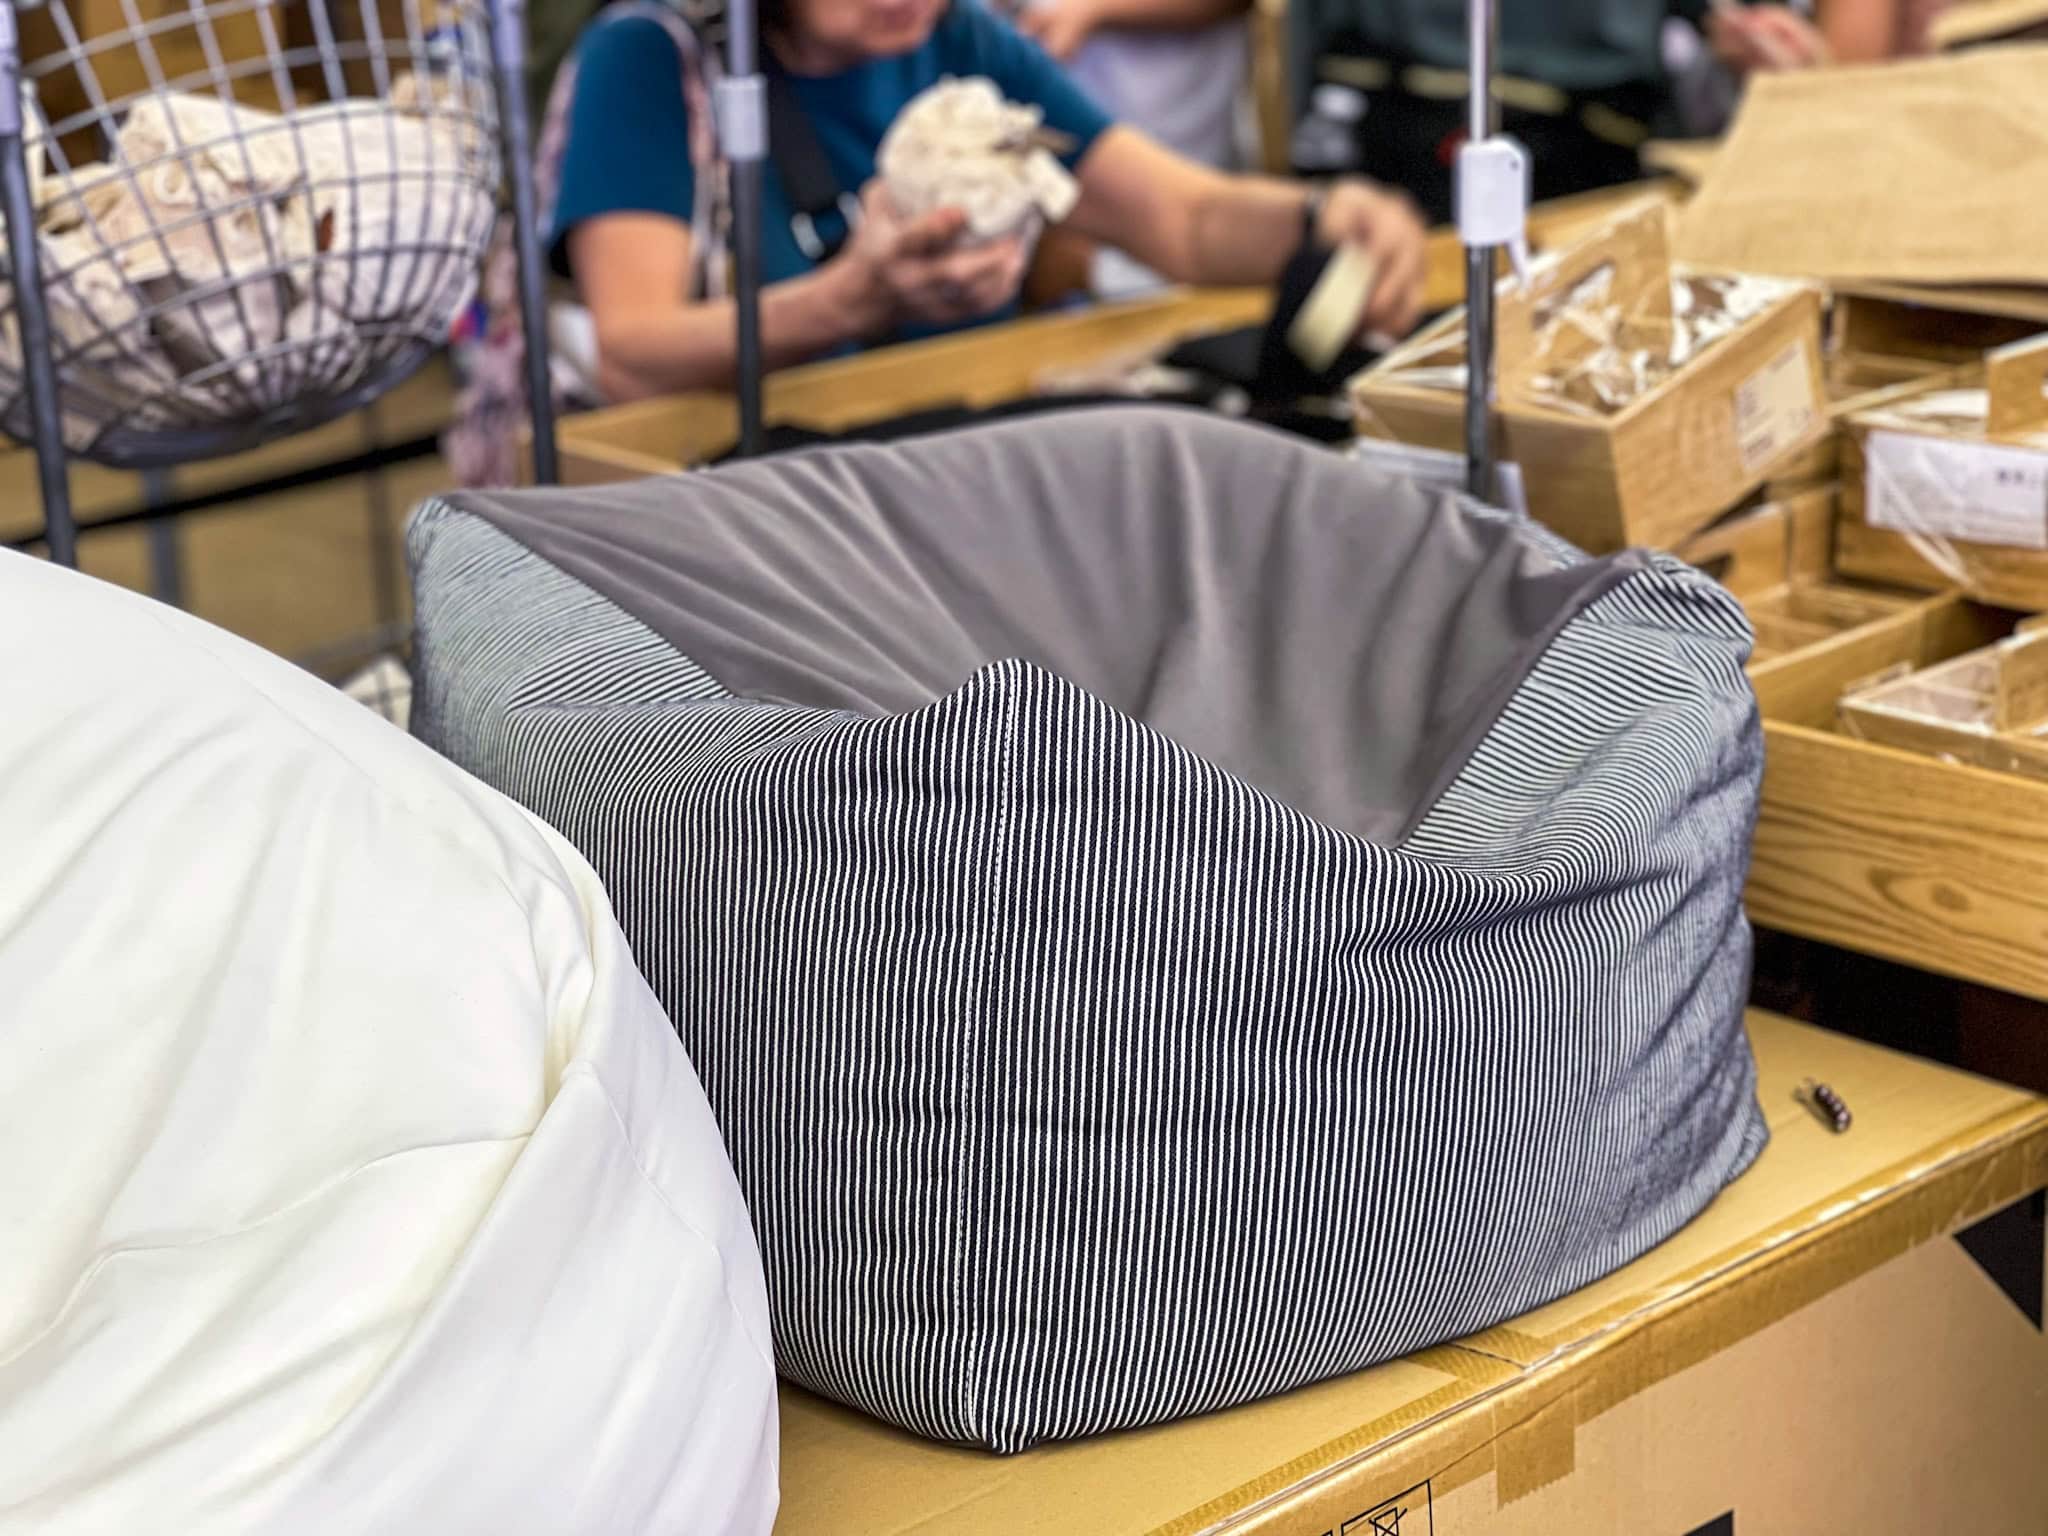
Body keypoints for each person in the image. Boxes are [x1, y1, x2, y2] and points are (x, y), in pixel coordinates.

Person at [547, 0, 1425, 403]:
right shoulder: (650, 60)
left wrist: (1322, 219)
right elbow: (633, 354)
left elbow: (1183, 220)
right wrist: (848, 301)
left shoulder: (964, 40)